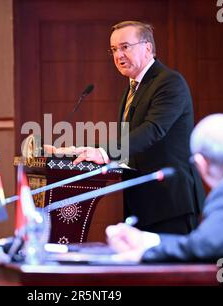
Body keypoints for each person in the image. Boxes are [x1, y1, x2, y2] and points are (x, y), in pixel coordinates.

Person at [106, 114, 223, 285]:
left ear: (201, 164)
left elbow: (205, 249)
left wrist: (143, 253)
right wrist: (147, 239)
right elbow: (210, 243)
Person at [72, 20, 205, 234]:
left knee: (171, 269)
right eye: (114, 49)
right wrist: (84, 150)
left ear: (147, 48)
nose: (118, 55)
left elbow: (152, 130)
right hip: (141, 203)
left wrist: (104, 152)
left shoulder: (169, 82)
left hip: (171, 204)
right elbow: (131, 140)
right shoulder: (133, 87)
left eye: (125, 47)